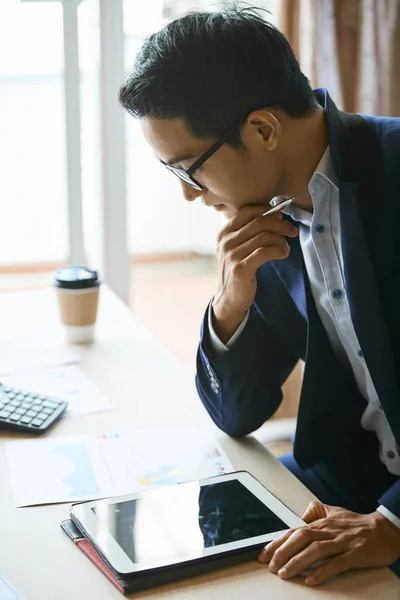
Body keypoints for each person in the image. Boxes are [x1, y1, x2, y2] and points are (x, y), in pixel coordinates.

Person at [118, 5, 400, 586]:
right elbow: (238, 414)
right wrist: (230, 303)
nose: (190, 197)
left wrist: (394, 523)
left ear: (265, 130)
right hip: (349, 481)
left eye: (189, 170)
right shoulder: (265, 224)